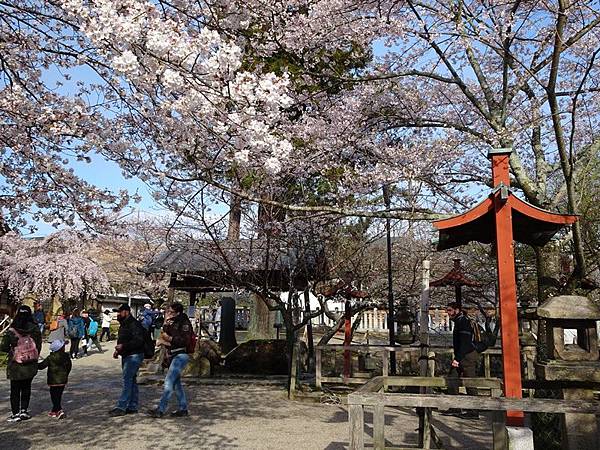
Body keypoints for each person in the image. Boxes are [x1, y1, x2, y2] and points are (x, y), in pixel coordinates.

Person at [148, 302, 193, 418]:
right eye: (168, 312)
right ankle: (183, 408)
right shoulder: (171, 322)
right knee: (176, 384)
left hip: (181, 354)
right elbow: (165, 333)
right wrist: (165, 324)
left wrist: (169, 339)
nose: (169, 314)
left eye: (171, 312)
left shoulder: (184, 323)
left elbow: (185, 341)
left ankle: (161, 409)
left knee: (168, 381)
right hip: (173, 354)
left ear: (178, 312)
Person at [0, 305, 42, 423]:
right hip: (30, 363)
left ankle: (15, 414)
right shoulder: (35, 329)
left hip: (15, 365)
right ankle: (24, 410)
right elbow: (38, 346)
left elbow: (3, 347)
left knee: (15, 390)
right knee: (26, 387)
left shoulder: (12, 330)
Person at [444, 301, 481, 419]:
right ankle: (455, 406)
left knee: (470, 383)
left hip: (467, 356)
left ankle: (473, 411)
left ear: (456, 310)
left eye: (449, 310)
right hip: (462, 355)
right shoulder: (459, 321)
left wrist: (457, 359)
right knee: (452, 379)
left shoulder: (463, 322)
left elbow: (465, 342)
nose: (448, 313)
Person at [109, 303, 146, 417]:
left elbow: (138, 341)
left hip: (134, 355)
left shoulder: (134, 324)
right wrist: (118, 350)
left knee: (127, 380)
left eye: (120, 312)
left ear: (126, 312)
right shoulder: (124, 324)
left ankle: (122, 406)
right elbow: (123, 339)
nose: (118, 314)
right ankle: (132, 406)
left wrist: (123, 347)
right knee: (132, 380)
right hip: (127, 354)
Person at [38, 339, 72, 419]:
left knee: (54, 396)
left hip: (53, 380)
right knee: (58, 395)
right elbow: (69, 366)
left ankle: (59, 410)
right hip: (63, 379)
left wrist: (33, 364)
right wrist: (66, 374)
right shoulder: (66, 356)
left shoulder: (50, 357)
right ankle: (54, 410)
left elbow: (42, 366)